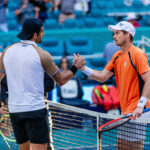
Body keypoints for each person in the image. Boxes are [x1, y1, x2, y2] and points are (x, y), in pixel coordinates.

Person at [0, 18, 85, 150]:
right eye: (42, 31)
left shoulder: (6, 52)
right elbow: (61, 80)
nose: (43, 34)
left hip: (15, 110)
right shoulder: (42, 55)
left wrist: (3, 100)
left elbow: (1, 78)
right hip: (35, 110)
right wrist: (75, 67)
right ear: (35, 35)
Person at [80, 21, 150, 149]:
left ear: (127, 35)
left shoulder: (137, 54)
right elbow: (102, 76)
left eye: (117, 33)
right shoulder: (117, 56)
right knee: (121, 147)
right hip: (126, 111)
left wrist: (140, 106)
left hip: (138, 111)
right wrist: (83, 68)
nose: (114, 36)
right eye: (114, 33)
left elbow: (149, 80)